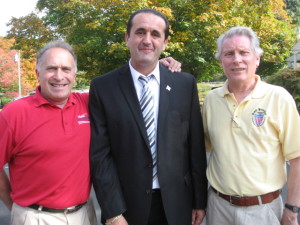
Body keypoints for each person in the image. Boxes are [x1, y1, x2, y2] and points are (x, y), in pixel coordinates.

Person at [89, 8, 207, 225]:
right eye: (140, 32)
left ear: (165, 42)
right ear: (127, 38)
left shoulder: (184, 84)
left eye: (155, 34)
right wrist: (112, 211)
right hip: (126, 208)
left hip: (178, 204)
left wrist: (199, 200)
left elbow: (195, 147)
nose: (147, 40)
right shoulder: (102, 87)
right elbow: (100, 156)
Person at [202, 26, 300, 225]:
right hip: (218, 208)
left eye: (244, 52)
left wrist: (292, 208)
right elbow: (199, 148)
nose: (237, 59)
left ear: (257, 58)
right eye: (229, 54)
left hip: (264, 211)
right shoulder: (212, 100)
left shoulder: (278, 98)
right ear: (221, 61)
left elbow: (297, 158)